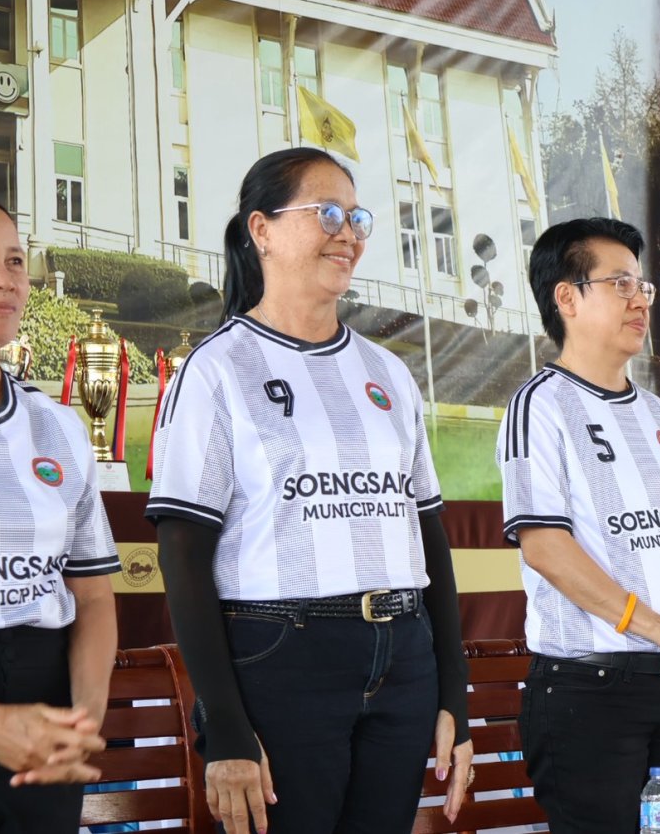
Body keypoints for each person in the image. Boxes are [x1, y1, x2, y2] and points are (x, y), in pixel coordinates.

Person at [146, 147, 473, 834]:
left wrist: (454, 694)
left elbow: (428, 538)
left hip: (403, 658)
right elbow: (182, 552)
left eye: (356, 217)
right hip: (281, 658)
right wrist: (225, 725)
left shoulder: (388, 372)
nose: (347, 233)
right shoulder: (216, 369)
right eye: (326, 213)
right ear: (261, 230)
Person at [497, 217, 660, 834]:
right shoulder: (539, 405)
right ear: (567, 297)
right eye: (620, 284)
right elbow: (544, 547)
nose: (640, 301)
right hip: (592, 688)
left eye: (644, 286)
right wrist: (659, 626)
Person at [0, 200, 118, 832]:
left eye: (14, 261)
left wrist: (82, 725)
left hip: (47, 723)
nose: (5, 281)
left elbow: (91, 596)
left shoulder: (57, 427)